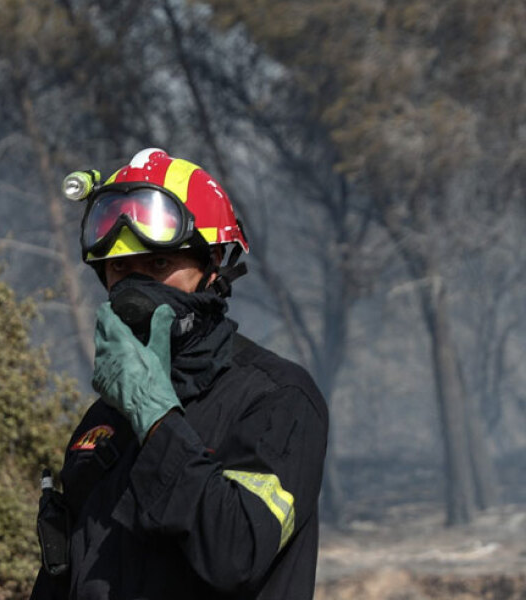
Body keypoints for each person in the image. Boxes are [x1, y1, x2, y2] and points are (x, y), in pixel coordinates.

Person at [31, 149, 329, 599]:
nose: (136, 288)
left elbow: (236, 553)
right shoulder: (103, 422)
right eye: (120, 269)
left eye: (158, 265)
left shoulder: (276, 399)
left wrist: (156, 419)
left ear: (213, 269)